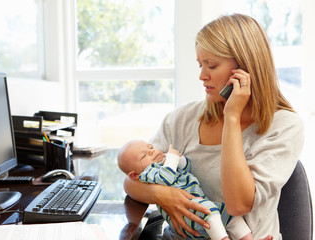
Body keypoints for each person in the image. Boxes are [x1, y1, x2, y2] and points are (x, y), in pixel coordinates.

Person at [123, 13, 304, 240]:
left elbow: (238, 205)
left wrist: (231, 118)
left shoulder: (284, 125)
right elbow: (132, 180)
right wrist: (162, 194)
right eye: (200, 64)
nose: (202, 75)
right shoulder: (181, 119)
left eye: (212, 65)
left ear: (245, 68)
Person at [118, 139, 262, 240]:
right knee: (208, 209)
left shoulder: (163, 162)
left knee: (230, 214)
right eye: (144, 155)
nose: (151, 152)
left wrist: (178, 159)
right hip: (187, 217)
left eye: (150, 147)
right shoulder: (148, 174)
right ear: (135, 174)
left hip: (199, 206)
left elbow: (187, 167)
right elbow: (166, 178)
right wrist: (172, 158)